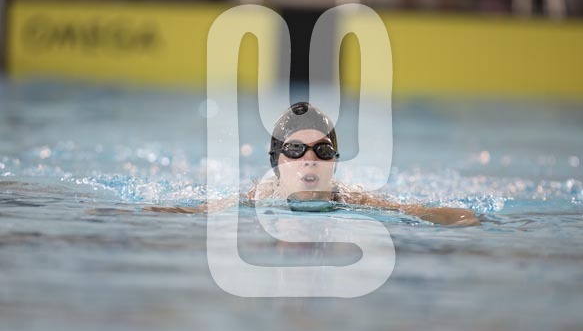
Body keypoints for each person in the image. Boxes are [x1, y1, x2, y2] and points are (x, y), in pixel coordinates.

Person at [148, 102, 479, 226]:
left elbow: (425, 213)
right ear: (276, 161)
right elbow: (192, 212)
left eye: (322, 150)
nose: (309, 159)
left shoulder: (352, 200)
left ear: (334, 162)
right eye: (295, 150)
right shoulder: (255, 201)